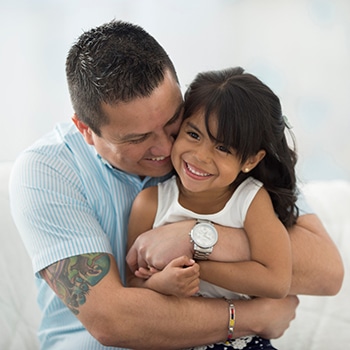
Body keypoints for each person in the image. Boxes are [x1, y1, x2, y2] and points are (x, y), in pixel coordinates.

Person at [9, 20, 343, 350]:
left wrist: (194, 237)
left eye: (172, 122)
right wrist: (251, 316)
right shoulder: (47, 171)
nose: (167, 150)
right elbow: (114, 321)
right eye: (138, 138)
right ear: (85, 130)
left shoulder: (210, 138)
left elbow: (327, 272)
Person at [126, 66, 298, 349]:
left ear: (251, 160)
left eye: (223, 148)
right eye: (193, 135)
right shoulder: (150, 203)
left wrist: (196, 270)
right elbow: (133, 284)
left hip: (240, 340)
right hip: (171, 338)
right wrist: (161, 284)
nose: (200, 156)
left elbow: (276, 279)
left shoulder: (251, 200)